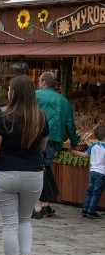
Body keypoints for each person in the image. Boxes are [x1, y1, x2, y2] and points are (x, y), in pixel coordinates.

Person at [0, 75, 49, 255]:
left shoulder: (2, 118)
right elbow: (42, 147)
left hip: (5, 172)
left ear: (13, 93)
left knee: (9, 224)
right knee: (24, 220)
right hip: (33, 174)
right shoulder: (40, 117)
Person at [33, 71, 82, 218]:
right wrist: (74, 141)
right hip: (54, 138)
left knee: (36, 169)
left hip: (36, 137)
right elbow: (70, 124)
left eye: (40, 81)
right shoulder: (63, 100)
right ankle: (45, 203)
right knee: (46, 168)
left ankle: (38, 205)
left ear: (43, 82)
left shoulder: (36, 95)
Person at [74, 125, 105, 218]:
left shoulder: (94, 145)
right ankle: (91, 210)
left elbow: (84, 155)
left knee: (89, 191)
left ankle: (85, 209)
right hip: (101, 173)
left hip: (92, 172)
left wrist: (73, 152)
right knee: (96, 192)